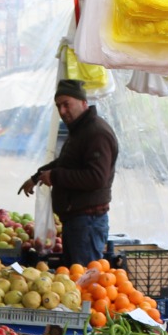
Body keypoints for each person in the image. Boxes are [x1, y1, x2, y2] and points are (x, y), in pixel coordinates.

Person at [20, 79, 118, 266]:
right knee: (75, 280)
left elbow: (96, 177)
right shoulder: (80, 131)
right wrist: (37, 177)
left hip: (87, 222)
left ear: (83, 102)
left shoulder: (96, 133)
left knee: (84, 282)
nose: (62, 111)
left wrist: (55, 177)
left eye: (67, 104)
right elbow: (65, 163)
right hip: (77, 221)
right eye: (58, 106)